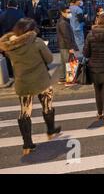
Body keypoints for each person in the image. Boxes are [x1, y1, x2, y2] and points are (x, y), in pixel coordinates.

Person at [0, 18, 61, 156]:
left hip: (23, 82)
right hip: (41, 80)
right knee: (47, 104)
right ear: (30, 30)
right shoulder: (37, 42)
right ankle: (51, 130)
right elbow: (50, 59)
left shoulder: (10, 46)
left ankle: (27, 144)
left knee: (25, 112)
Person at [56, 6, 79, 87]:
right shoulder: (63, 23)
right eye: (68, 12)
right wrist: (71, 48)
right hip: (65, 46)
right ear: (62, 13)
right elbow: (66, 36)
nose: (70, 14)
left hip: (63, 45)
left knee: (64, 62)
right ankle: (69, 81)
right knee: (68, 63)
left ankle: (62, 79)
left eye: (70, 12)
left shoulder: (62, 21)